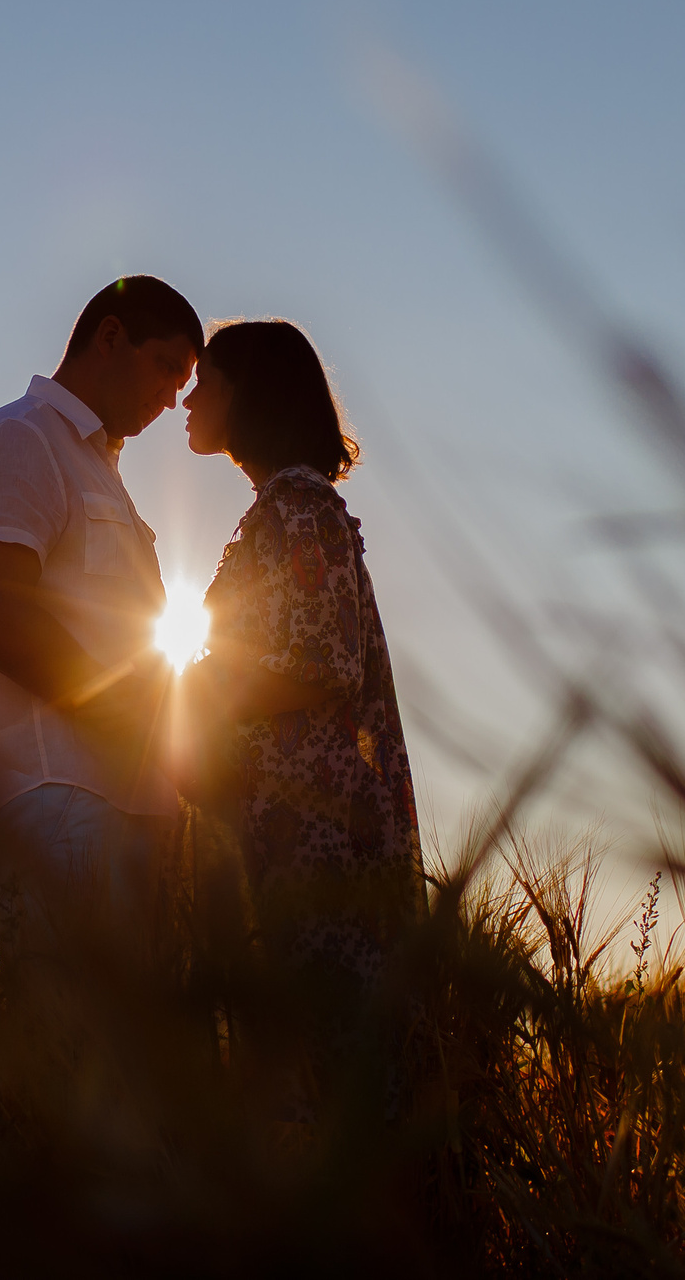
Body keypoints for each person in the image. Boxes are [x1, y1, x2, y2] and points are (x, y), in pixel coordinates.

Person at [178, 319, 422, 1117]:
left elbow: (326, 661)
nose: (188, 395)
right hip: (295, 838)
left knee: (339, 1080)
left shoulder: (299, 508)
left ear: (248, 394)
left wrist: (195, 695)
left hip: (323, 849)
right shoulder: (283, 508)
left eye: (205, 380)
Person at [0, 275, 203, 999]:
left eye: (185, 382)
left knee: (144, 1079)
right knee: (76, 1062)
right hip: (61, 801)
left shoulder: (101, 471)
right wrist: (130, 718)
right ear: (110, 336)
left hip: (134, 806)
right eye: (166, 368)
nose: (173, 397)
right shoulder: (17, 439)